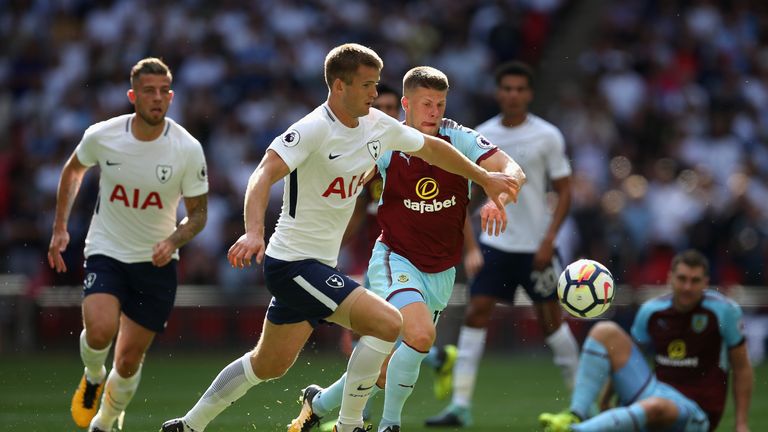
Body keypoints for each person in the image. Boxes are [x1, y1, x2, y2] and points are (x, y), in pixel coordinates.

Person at [160, 43, 520, 432]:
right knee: (387, 323)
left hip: (318, 266)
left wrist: (485, 178)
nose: (373, 94)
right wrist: (253, 232)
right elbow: (262, 175)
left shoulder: (377, 125)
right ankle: (350, 425)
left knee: (268, 364)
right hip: (293, 263)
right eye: (367, 85)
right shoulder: (312, 129)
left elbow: (433, 149)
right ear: (339, 86)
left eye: (376, 84)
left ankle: (187, 425)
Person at [291, 65, 526, 432]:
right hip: (394, 257)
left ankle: (318, 403)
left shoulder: (459, 138)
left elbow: (512, 169)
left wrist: (500, 198)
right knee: (419, 335)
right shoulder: (386, 140)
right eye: (426, 103)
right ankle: (389, 424)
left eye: (440, 104)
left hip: (442, 268)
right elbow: (344, 176)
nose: (434, 112)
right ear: (406, 104)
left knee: (386, 366)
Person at [47, 57, 209, 432]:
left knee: (129, 360)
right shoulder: (103, 135)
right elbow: (73, 170)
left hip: (156, 263)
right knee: (101, 331)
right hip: (107, 250)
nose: (157, 98)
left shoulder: (187, 148)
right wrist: (60, 228)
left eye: (163, 92)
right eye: (148, 91)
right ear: (132, 96)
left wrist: (172, 240)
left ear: (171, 96)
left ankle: (103, 422)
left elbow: (199, 215)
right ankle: (92, 375)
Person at [426, 60, 578, 427]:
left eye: (519, 89)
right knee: (476, 313)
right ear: (498, 93)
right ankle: (460, 406)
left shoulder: (547, 136)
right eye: (506, 88)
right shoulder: (481, 134)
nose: (512, 95)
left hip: (536, 246)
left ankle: (582, 402)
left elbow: (564, 189)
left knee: (551, 323)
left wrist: (549, 239)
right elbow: (466, 195)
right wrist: (472, 247)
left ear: (529, 94)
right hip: (495, 243)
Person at [539, 249, 753, 432]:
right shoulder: (652, 310)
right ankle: (576, 415)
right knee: (605, 331)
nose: (687, 287)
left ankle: (576, 430)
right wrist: (606, 399)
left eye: (695, 281)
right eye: (682, 279)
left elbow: (742, 367)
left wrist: (741, 423)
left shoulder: (724, 311)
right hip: (655, 391)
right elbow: (627, 357)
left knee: (656, 406)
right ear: (670, 278)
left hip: (696, 410)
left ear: (706, 282)